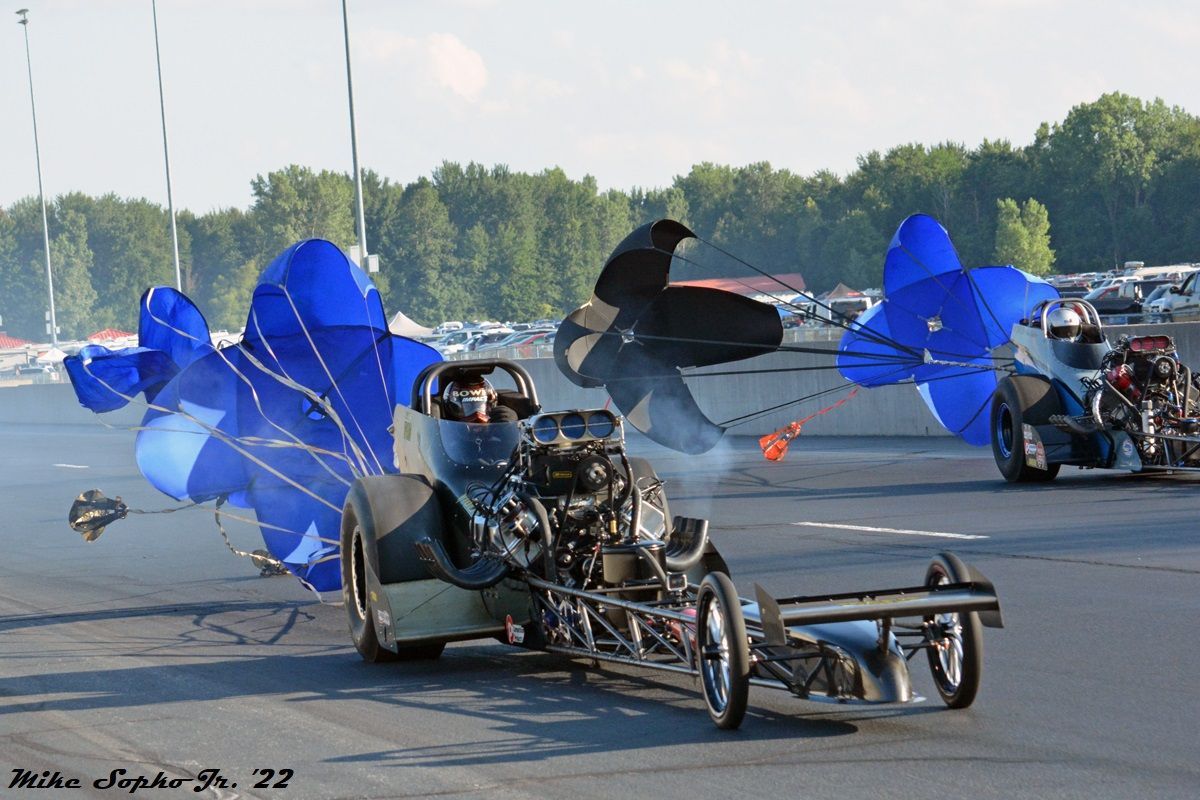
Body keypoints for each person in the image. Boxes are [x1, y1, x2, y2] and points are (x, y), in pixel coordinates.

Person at [442, 377, 517, 423]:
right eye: (469, 406)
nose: (477, 415)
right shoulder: (448, 431)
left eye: (479, 406)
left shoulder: (500, 421)